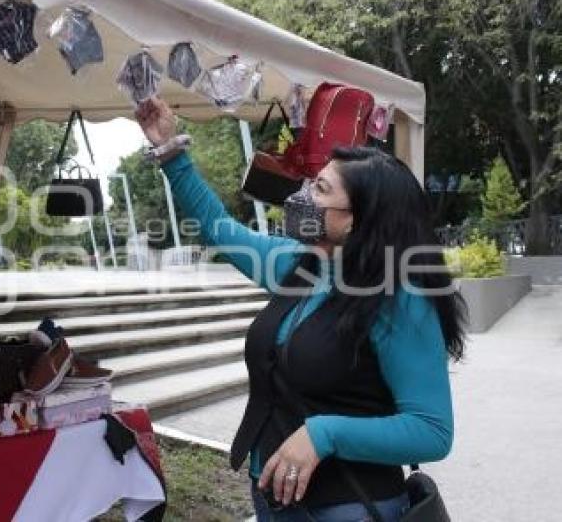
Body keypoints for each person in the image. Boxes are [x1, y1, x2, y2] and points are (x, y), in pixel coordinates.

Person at [136, 97, 465, 522]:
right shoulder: (299, 262)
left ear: (357, 220)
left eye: (321, 190)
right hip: (273, 499)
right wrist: (171, 152)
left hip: (347, 506)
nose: (303, 194)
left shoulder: (399, 298)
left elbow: (432, 431)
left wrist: (323, 434)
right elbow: (220, 229)